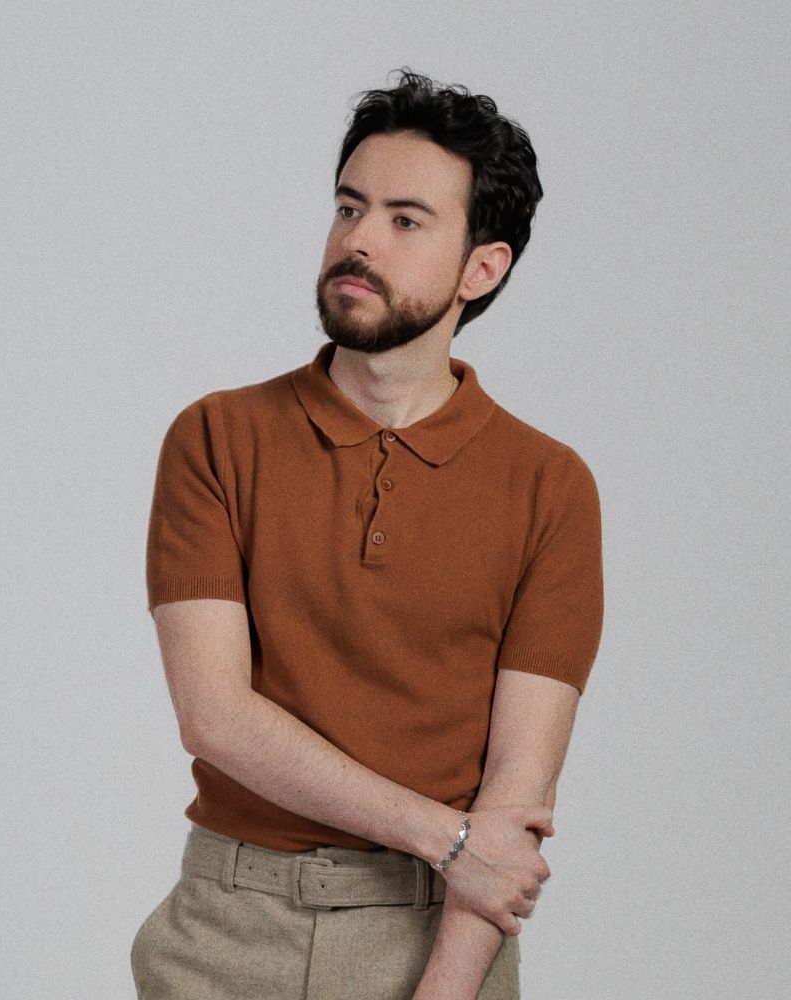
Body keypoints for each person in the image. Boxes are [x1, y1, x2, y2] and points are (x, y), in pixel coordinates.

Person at [132, 70, 603, 1000]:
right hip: (226, 933)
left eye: (405, 221)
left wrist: (444, 987)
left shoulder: (549, 487)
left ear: (482, 268)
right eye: (349, 208)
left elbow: (517, 792)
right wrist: (448, 839)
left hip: (436, 939)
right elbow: (214, 715)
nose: (358, 239)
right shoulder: (217, 437)